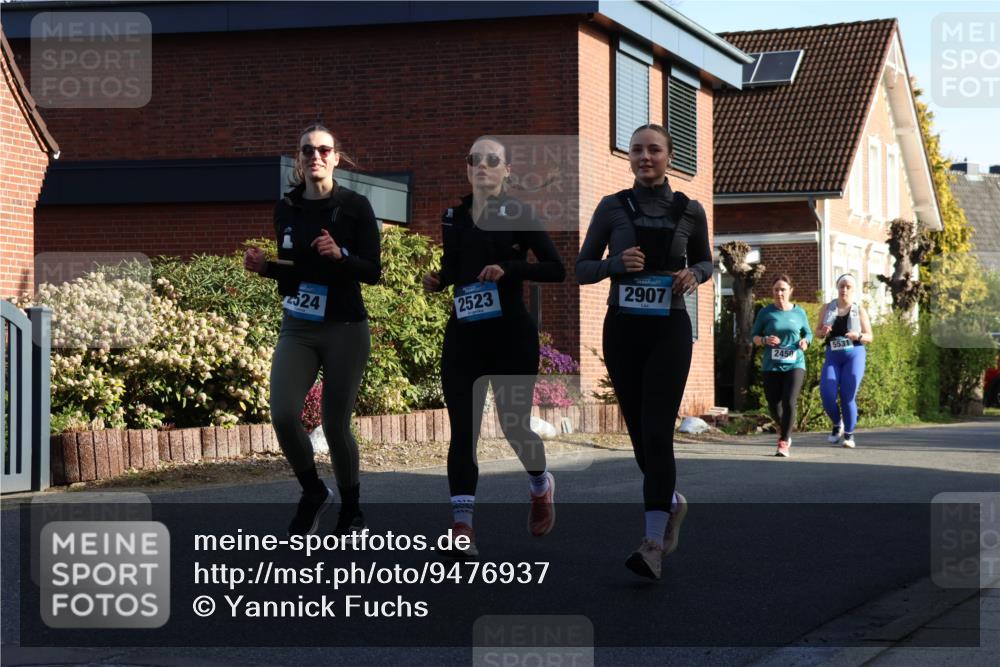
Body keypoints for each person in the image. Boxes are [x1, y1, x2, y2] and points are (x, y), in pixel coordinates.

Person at [576, 124, 711, 580]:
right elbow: (581, 267)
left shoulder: (690, 210)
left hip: (669, 330)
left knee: (657, 432)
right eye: (637, 150)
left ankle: (652, 542)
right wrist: (616, 264)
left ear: (669, 157)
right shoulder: (612, 207)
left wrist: (695, 274)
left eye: (654, 150)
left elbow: (707, 260)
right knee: (638, 433)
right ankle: (671, 504)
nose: (645, 156)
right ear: (629, 158)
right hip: (623, 330)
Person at [423, 136, 565, 558]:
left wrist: (509, 269)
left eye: (492, 160)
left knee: (514, 427)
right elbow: (456, 267)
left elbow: (556, 268)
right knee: (462, 432)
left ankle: (541, 485)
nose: (482, 166)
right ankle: (462, 525)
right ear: (467, 169)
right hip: (464, 334)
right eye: (474, 160)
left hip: (510, 337)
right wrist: (438, 279)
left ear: (506, 171)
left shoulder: (520, 213)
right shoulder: (454, 216)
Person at [244, 124, 381, 536]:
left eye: (323, 150)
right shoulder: (286, 207)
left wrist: (341, 256)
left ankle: (351, 508)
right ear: (299, 159)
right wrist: (265, 267)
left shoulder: (356, 206)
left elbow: (373, 272)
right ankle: (313, 491)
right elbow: (296, 271)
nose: (315, 156)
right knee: (283, 414)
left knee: (335, 424)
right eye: (307, 150)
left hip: (345, 327)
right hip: (299, 324)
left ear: (336, 157)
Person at [750, 275, 813, 458]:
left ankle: (783, 442)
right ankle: (784, 427)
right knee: (773, 404)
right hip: (771, 364)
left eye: (783, 289)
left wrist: (805, 342)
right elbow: (753, 336)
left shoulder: (799, 312)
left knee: (789, 401)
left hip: (795, 362)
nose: (779, 293)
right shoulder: (766, 312)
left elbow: (808, 333)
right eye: (776, 289)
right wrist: (764, 339)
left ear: (790, 291)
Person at [815, 273, 873, 448]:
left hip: (854, 354)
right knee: (827, 393)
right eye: (842, 286)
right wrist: (823, 332)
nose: (844, 290)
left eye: (848, 287)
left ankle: (849, 434)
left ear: (853, 290)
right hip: (833, 354)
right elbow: (817, 333)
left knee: (848, 396)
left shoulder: (859, 310)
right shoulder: (827, 308)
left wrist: (859, 335)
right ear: (837, 288)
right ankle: (836, 423)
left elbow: (870, 336)